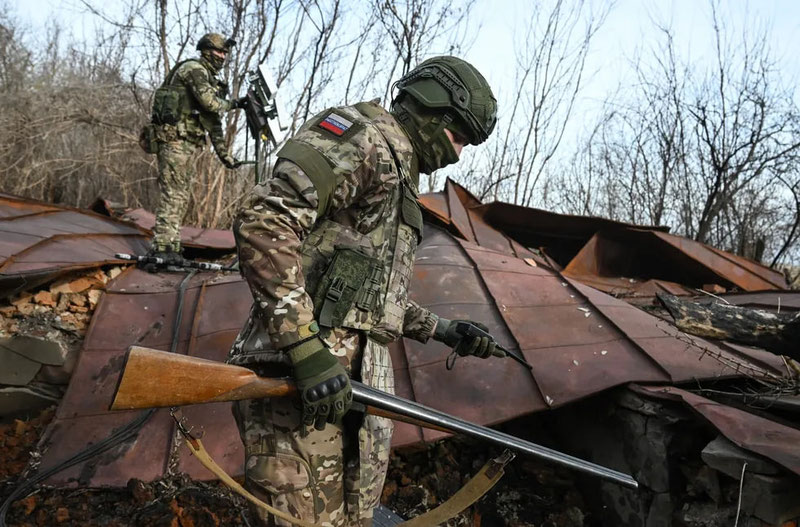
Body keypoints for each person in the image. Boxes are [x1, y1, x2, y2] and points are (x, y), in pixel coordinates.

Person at [228, 56, 499, 526]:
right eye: (458, 137)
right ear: (433, 109)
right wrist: (306, 348)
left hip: (357, 387)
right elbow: (264, 220)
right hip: (298, 384)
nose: (457, 154)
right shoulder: (364, 136)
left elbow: (364, 293)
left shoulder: (400, 175)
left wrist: (442, 329)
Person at [147, 32, 248, 259]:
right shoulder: (194, 70)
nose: (222, 56)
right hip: (174, 140)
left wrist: (225, 155)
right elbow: (210, 103)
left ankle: (170, 246)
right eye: (219, 51)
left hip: (186, 144)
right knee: (173, 194)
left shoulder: (209, 79)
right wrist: (236, 103)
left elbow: (213, 122)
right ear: (206, 50)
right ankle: (162, 248)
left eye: (225, 53)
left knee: (181, 195)